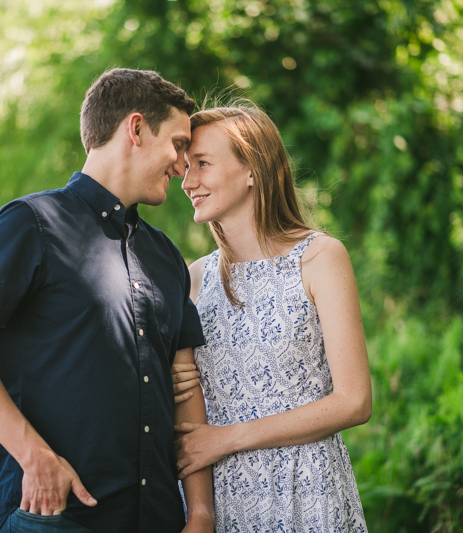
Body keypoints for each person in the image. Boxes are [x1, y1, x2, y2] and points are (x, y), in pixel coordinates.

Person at [0, 68, 214, 533]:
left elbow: (184, 385)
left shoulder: (165, 255)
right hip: (57, 518)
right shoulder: (31, 224)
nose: (183, 165)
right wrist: (35, 456)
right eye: (179, 144)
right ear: (137, 128)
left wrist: (200, 512)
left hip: (159, 517)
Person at [171, 103, 371, 532]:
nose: (188, 182)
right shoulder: (193, 279)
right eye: (186, 167)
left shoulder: (319, 259)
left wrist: (226, 439)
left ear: (252, 171)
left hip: (305, 489)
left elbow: (354, 401)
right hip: (218, 499)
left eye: (202, 164)